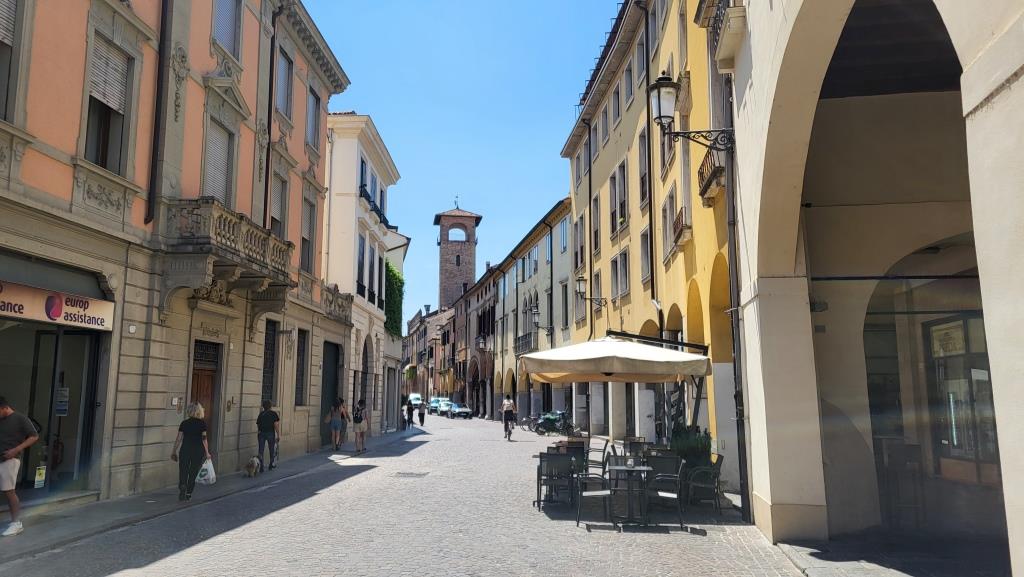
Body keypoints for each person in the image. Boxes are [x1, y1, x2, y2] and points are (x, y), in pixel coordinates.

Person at [0, 396, 39, 537]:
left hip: (9, 460)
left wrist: (16, 450)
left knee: (9, 491)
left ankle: (16, 524)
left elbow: (34, 436)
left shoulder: (20, 419)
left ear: (4, 407)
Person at [171, 402, 211, 502]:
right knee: (193, 471)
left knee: (183, 470)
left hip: (185, 449)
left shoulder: (184, 423)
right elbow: (204, 439)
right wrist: (207, 452)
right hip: (198, 451)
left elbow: (178, 438)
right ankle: (188, 493)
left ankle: (182, 486)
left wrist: (174, 451)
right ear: (199, 411)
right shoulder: (202, 424)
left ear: (189, 411)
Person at [256, 400, 280, 470]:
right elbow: (276, 425)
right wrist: (278, 435)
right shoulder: (273, 414)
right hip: (270, 433)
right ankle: (271, 464)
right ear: (270, 406)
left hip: (261, 433)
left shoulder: (261, 414)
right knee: (271, 449)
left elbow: (258, 424)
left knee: (261, 450)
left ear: (263, 406)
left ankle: (261, 466)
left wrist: (259, 431)